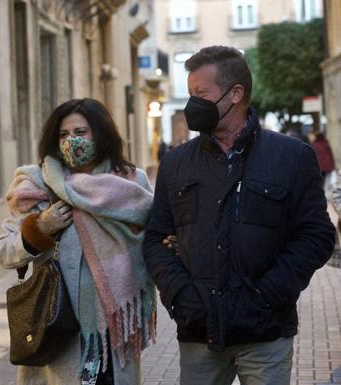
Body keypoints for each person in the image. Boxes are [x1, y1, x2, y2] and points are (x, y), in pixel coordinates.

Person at [143, 46, 335, 385]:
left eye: (201, 94)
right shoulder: (175, 163)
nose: (192, 104)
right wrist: (182, 298)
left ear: (235, 94)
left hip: (266, 332)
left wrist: (269, 294)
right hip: (199, 332)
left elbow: (316, 236)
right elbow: (157, 239)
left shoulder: (292, 157)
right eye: (190, 94)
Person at [0, 98, 156, 385]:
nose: (72, 141)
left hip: (114, 331)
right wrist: (40, 229)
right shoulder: (37, 187)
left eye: (80, 133)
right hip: (59, 330)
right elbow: (5, 253)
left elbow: (154, 245)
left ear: (101, 133)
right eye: (64, 134)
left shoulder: (131, 184)